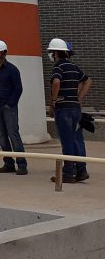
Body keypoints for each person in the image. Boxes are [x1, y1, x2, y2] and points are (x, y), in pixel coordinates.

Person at [48, 37, 92, 184]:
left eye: (52, 52)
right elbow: (88, 81)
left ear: (56, 53)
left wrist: (53, 101)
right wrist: (78, 98)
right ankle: (81, 170)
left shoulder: (58, 67)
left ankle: (68, 173)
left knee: (67, 142)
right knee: (76, 140)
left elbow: (56, 81)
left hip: (63, 109)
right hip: (75, 109)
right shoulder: (74, 67)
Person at [0, 40, 27, 175]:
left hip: (9, 108)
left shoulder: (12, 69)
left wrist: (10, 104)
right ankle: (8, 163)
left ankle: (21, 164)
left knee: (13, 134)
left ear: (4, 53)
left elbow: (18, 88)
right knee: (1, 136)